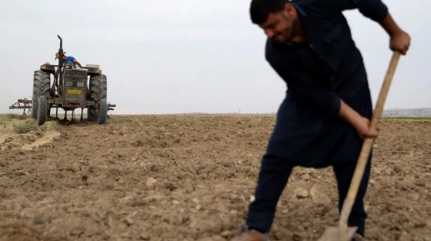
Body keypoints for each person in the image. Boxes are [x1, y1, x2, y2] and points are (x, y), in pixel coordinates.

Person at [231, 0, 410, 240]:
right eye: (264, 29)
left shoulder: (318, 3)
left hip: (350, 85)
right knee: (279, 152)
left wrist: (395, 32)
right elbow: (315, 95)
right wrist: (356, 119)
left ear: (289, 9)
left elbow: (366, 2)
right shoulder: (275, 52)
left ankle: (353, 228)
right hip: (307, 98)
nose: (269, 34)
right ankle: (256, 227)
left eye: (272, 25)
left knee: (354, 154)